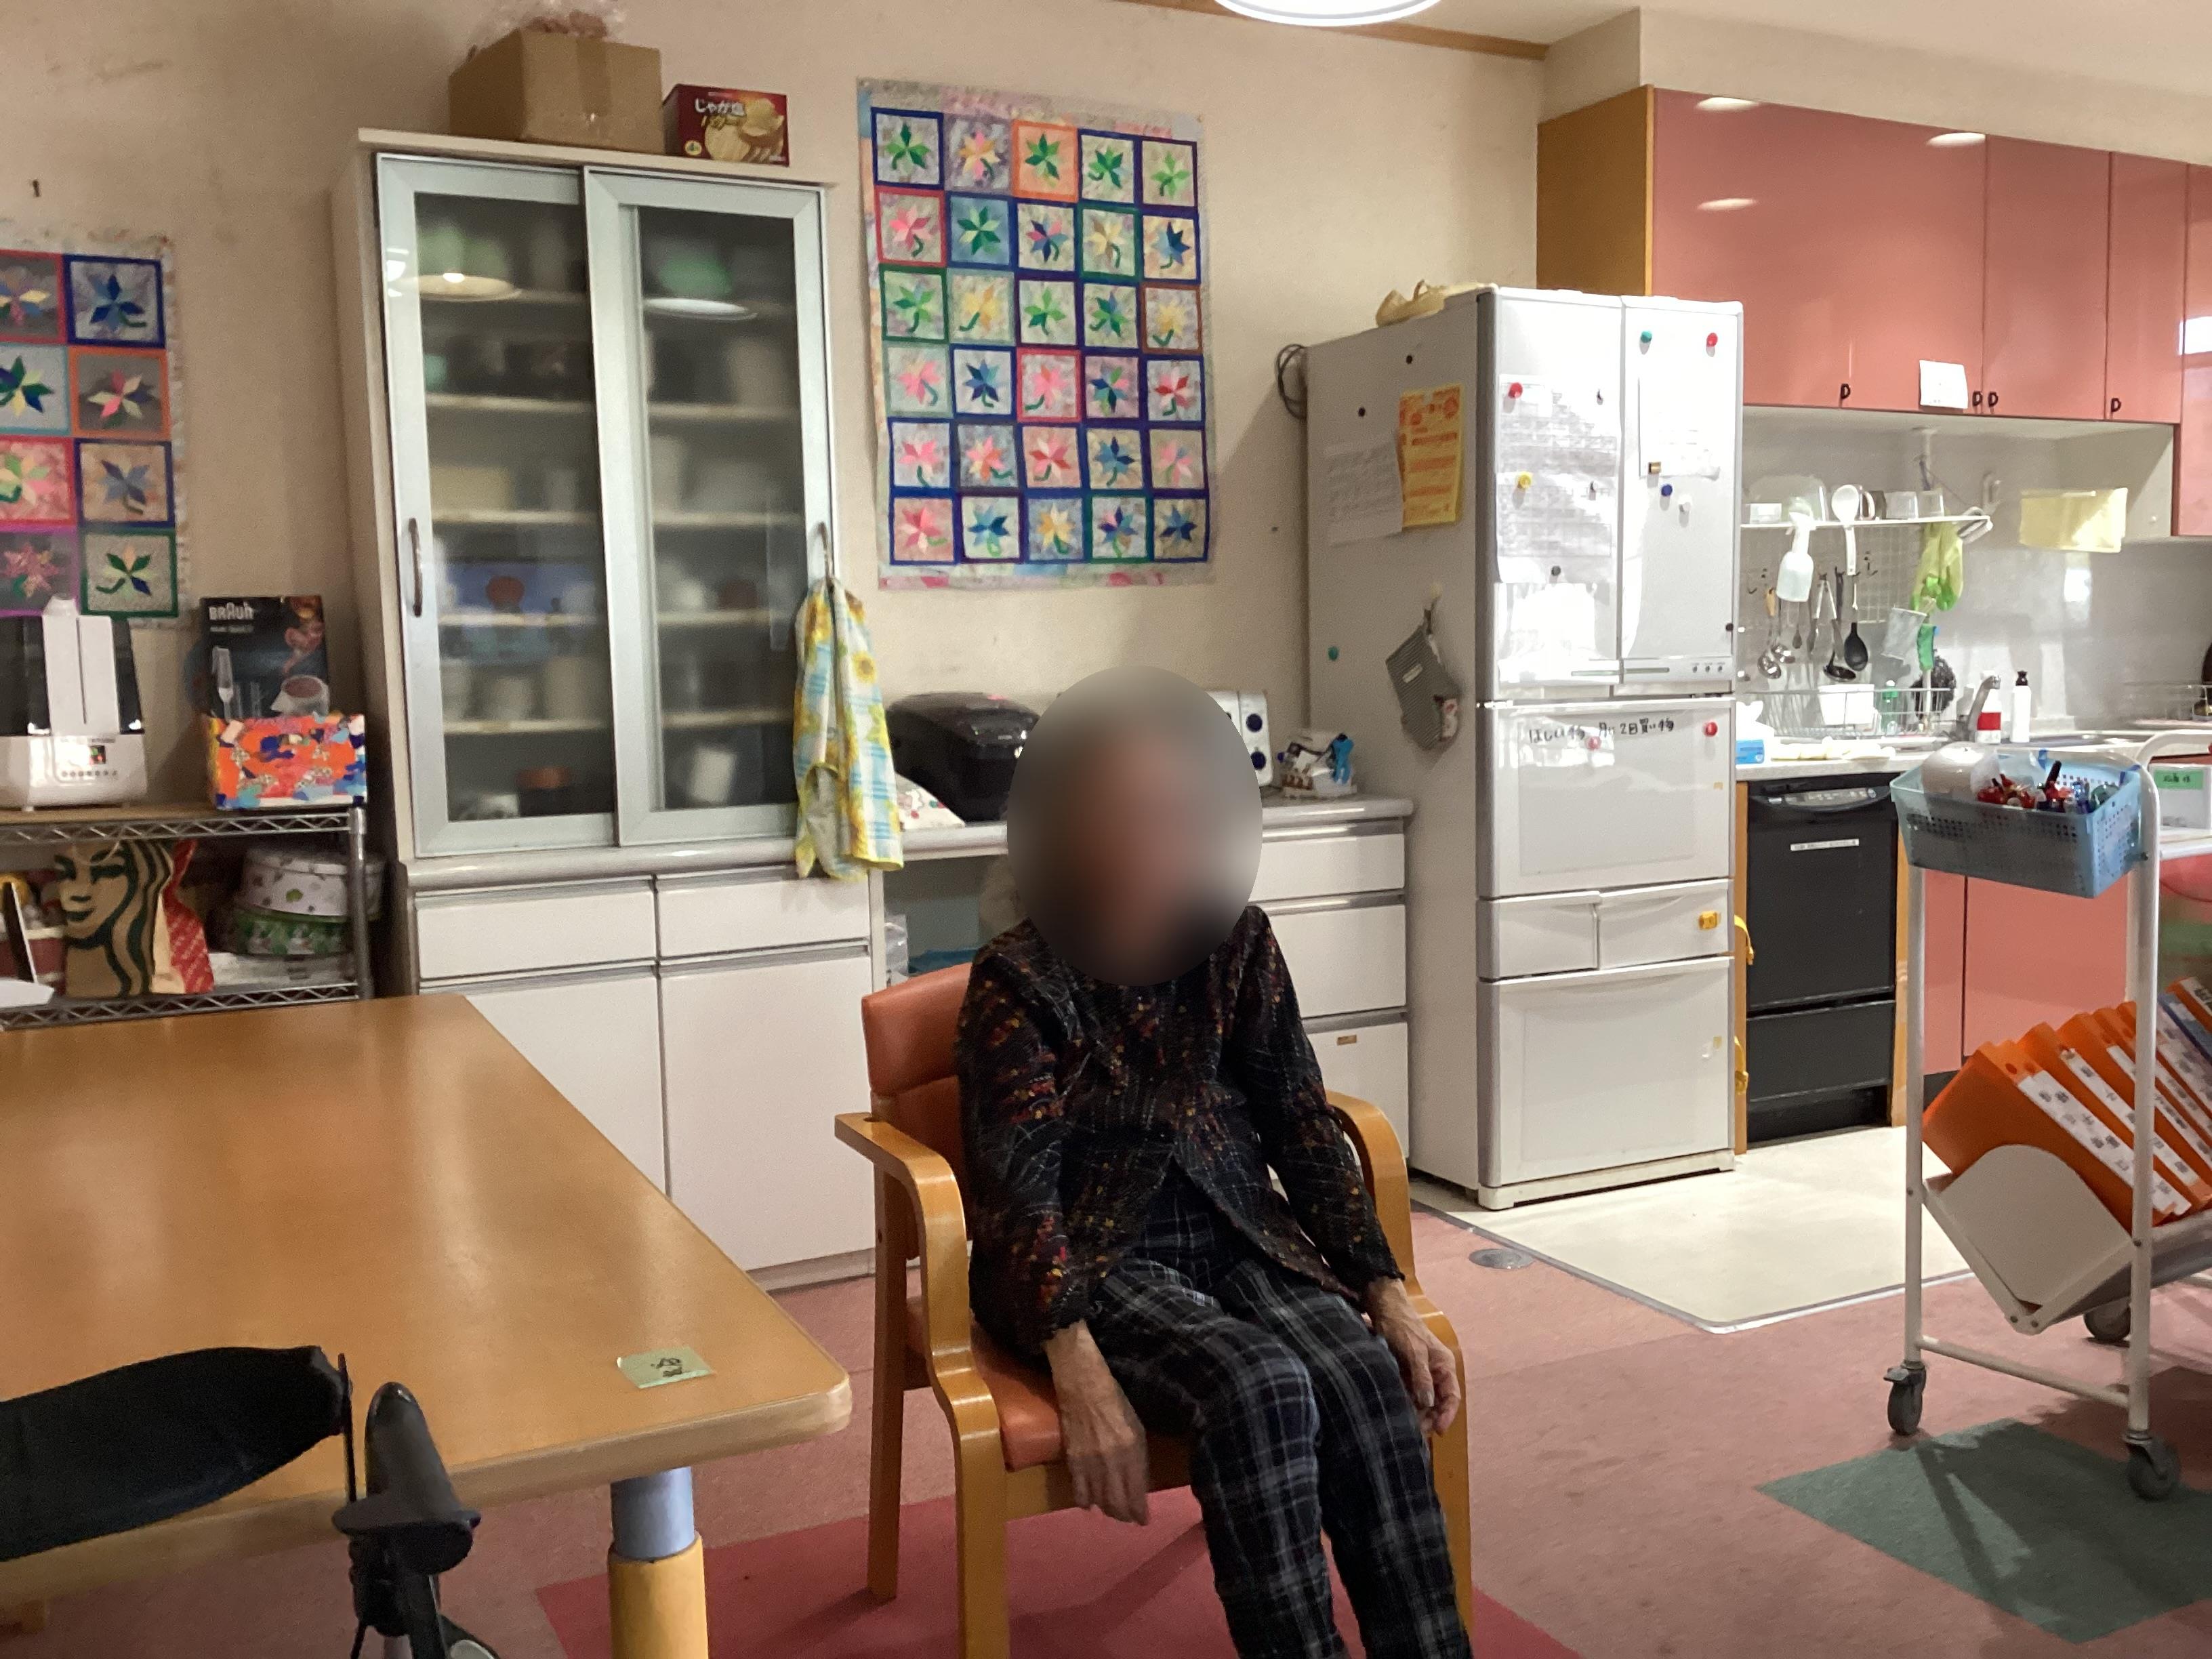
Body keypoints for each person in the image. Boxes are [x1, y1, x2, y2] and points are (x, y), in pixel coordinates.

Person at [956, 681, 1470, 1659]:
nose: (1155, 841)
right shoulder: (1018, 979)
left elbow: (1300, 1122)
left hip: (1238, 1225)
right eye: (1123, 814)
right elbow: (1017, 1192)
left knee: (1363, 1375)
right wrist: (1073, 1360)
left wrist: (1386, 1286)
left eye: (1175, 813)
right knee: (1260, 1389)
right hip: (1090, 1257)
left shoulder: (1235, 940)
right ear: (1065, 828)